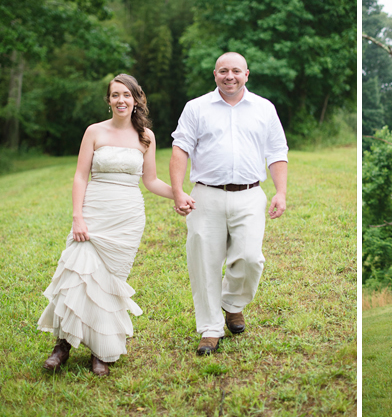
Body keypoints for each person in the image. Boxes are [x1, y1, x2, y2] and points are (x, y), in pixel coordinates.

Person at [38, 74, 175, 377]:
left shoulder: (146, 138)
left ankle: (101, 350)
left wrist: (179, 194)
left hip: (127, 217)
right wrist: (77, 215)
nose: (121, 100)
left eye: (126, 95)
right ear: (109, 100)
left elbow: (150, 181)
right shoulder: (94, 132)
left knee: (108, 283)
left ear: (137, 99)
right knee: (77, 275)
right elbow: (80, 176)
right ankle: (62, 347)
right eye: (115, 95)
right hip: (93, 211)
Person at [170, 52, 288, 356]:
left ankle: (233, 303)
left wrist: (281, 192)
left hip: (250, 194)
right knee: (204, 262)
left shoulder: (264, 108)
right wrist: (178, 190)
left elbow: (277, 152)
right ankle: (210, 329)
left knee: (250, 258)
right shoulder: (196, 108)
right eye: (223, 71)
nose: (230, 76)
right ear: (215, 75)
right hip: (205, 194)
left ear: (247, 74)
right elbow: (180, 149)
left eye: (236, 71)